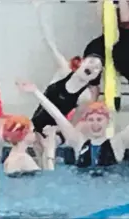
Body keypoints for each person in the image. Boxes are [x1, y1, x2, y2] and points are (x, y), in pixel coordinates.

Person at [17, 78, 129, 168]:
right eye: (91, 120)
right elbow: (58, 116)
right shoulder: (78, 142)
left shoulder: (118, 143)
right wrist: (36, 92)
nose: (95, 124)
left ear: (107, 121)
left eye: (99, 119)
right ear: (85, 122)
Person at [29, 1, 103, 140]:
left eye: (97, 69)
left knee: (50, 143)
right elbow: (49, 42)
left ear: (95, 77)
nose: (93, 67)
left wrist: (54, 130)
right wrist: (39, 13)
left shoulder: (85, 96)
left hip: (57, 132)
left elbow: (72, 125)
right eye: (92, 62)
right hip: (35, 124)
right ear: (81, 62)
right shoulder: (64, 71)